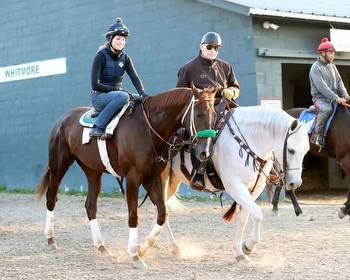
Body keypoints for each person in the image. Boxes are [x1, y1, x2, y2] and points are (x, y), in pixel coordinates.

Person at [176, 31, 240, 190]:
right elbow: (180, 95)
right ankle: (198, 172)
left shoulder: (226, 66)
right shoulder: (188, 68)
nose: (213, 50)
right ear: (201, 46)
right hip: (201, 111)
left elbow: (236, 88)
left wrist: (232, 91)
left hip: (225, 106)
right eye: (209, 47)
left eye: (216, 48)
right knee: (207, 126)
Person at [89, 18, 147, 138]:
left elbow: (135, 78)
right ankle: (98, 127)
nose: (121, 42)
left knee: (139, 100)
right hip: (99, 97)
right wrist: (118, 91)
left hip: (117, 95)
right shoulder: (100, 56)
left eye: (123, 39)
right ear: (110, 39)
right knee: (124, 96)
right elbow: (95, 85)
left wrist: (143, 94)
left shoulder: (125, 58)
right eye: (118, 38)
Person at [309, 37, 350, 148]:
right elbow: (322, 87)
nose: (333, 55)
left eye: (333, 53)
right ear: (322, 53)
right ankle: (317, 136)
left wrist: (345, 94)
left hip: (334, 98)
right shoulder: (315, 68)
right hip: (320, 99)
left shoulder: (333, 66)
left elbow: (339, 81)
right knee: (327, 109)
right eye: (330, 53)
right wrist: (337, 98)